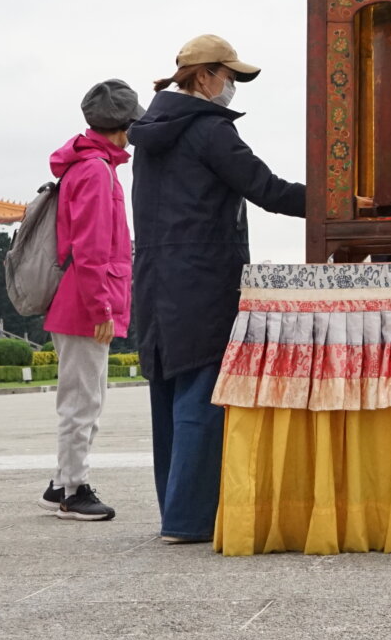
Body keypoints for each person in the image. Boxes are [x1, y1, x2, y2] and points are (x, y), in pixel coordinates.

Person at [130, 35, 305, 544]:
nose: (231, 87)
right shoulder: (209, 132)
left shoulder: (150, 134)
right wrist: (339, 202)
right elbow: (268, 190)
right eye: (228, 77)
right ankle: (189, 519)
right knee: (202, 394)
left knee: (168, 391)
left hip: (156, 276)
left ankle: (174, 511)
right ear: (203, 77)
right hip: (203, 275)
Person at [38, 78, 143, 522]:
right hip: (87, 303)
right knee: (84, 402)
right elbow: (94, 246)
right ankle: (74, 490)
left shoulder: (86, 165)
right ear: (125, 125)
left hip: (78, 298)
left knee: (83, 397)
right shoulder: (97, 171)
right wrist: (103, 307)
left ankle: (63, 480)